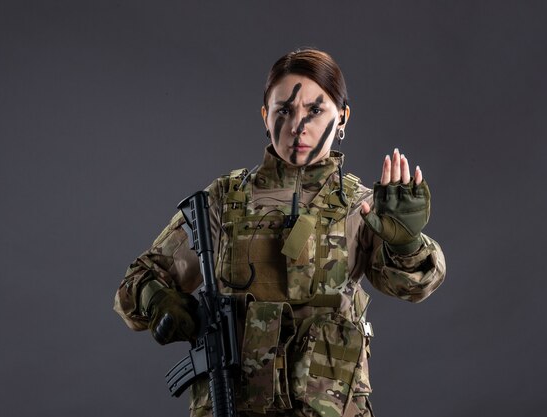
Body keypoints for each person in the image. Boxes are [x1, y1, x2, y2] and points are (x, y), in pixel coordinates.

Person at [114, 48, 446, 417]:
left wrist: (407, 242)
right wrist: (159, 301)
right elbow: (137, 282)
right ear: (265, 116)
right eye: (284, 110)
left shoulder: (361, 207)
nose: (297, 126)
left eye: (314, 111)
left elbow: (413, 286)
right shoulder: (222, 200)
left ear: (343, 118)